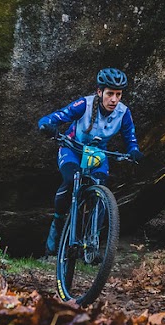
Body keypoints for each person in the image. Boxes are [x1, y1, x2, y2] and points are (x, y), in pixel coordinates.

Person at [37, 67, 144, 257]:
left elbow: (131, 138)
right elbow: (58, 116)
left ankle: (91, 242)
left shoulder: (123, 113)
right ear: (99, 91)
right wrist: (47, 125)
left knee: (100, 192)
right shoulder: (84, 105)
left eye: (118, 94)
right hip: (72, 150)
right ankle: (58, 222)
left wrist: (134, 152)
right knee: (72, 179)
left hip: (97, 155)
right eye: (110, 93)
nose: (114, 99)